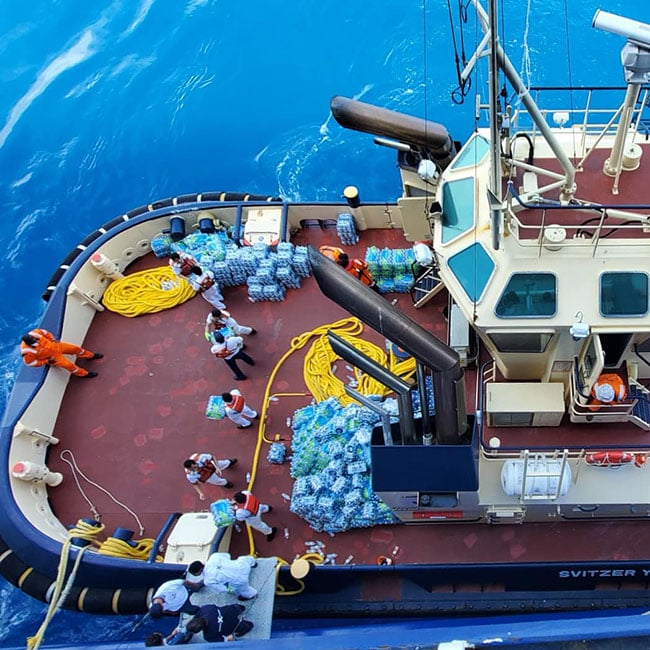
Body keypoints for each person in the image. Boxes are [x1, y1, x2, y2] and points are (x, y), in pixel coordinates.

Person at [20, 328, 102, 378]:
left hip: (56, 346)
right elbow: (31, 363)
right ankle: (84, 374)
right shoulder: (27, 352)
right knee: (69, 365)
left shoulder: (36, 333)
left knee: (75, 349)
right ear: (28, 343)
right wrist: (46, 361)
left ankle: (90, 355)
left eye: (34, 339)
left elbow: (45, 332)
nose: (35, 340)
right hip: (51, 357)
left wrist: (52, 339)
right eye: (33, 341)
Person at [186, 604, 254, 642]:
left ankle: (248, 626)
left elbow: (225, 640)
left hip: (233, 625)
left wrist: (230, 637)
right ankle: (241, 608)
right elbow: (199, 614)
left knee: (247, 626)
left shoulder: (209, 636)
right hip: (231, 610)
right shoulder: (205, 609)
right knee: (235, 607)